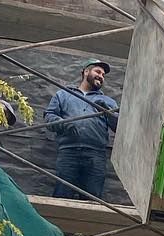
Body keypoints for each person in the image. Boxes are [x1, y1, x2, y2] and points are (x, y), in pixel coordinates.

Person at [45, 59, 119, 201]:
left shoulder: (108, 101)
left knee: (92, 200)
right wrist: (63, 123)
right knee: (62, 196)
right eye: (98, 71)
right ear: (86, 72)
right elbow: (49, 116)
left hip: (95, 155)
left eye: (103, 75)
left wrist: (107, 111)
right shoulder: (64, 95)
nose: (101, 76)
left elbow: (118, 127)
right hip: (68, 152)